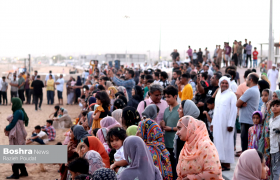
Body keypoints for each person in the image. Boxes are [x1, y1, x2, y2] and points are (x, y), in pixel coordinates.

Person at [212, 76, 237, 170]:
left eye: (226, 83)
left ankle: (227, 164)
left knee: (227, 143)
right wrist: (212, 123)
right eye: (222, 83)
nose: (224, 85)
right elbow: (216, 110)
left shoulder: (231, 95)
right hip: (217, 123)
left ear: (229, 84)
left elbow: (233, 111)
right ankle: (220, 162)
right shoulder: (218, 93)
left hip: (227, 124)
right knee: (218, 142)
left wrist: (231, 124)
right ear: (220, 84)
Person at [5, 97, 29, 179]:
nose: (11, 104)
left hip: (17, 135)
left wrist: (6, 128)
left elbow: (13, 123)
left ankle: (15, 173)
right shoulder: (20, 110)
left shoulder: (17, 112)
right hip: (20, 134)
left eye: (12, 102)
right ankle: (23, 172)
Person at [237, 73, 260, 152]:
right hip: (249, 119)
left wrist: (241, 103)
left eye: (246, 78)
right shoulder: (255, 89)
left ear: (251, 80)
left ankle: (245, 163)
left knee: (245, 145)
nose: (245, 80)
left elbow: (237, 103)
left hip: (247, 120)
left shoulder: (250, 90)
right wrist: (242, 103)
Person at [258, 89, 273, 178]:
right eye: (262, 95)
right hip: (263, 132)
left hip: (268, 133)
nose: (263, 97)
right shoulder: (263, 105)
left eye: (266, 95)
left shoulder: (271, 107)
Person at [269, 99, 280, 179]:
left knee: (276, 170)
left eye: (277, 106)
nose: (274, 107)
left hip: (278, 148)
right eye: (273, 106)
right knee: (273, 168)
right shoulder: (271, 119)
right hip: (272, 148)